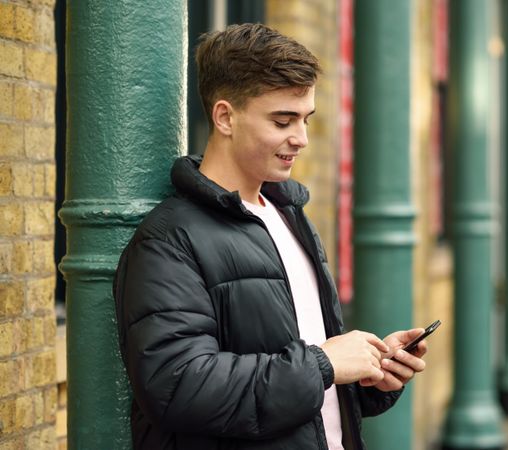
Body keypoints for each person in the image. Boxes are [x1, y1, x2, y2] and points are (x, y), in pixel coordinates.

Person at [113, 23, 428, 450]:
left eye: (305, 119)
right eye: (283, 121)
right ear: (225, 116)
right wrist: (322, 364)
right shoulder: (168, 240)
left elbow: (307, 387)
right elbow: (178, 387)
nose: (300, 139)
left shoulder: (290, 217)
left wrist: (370, 374)